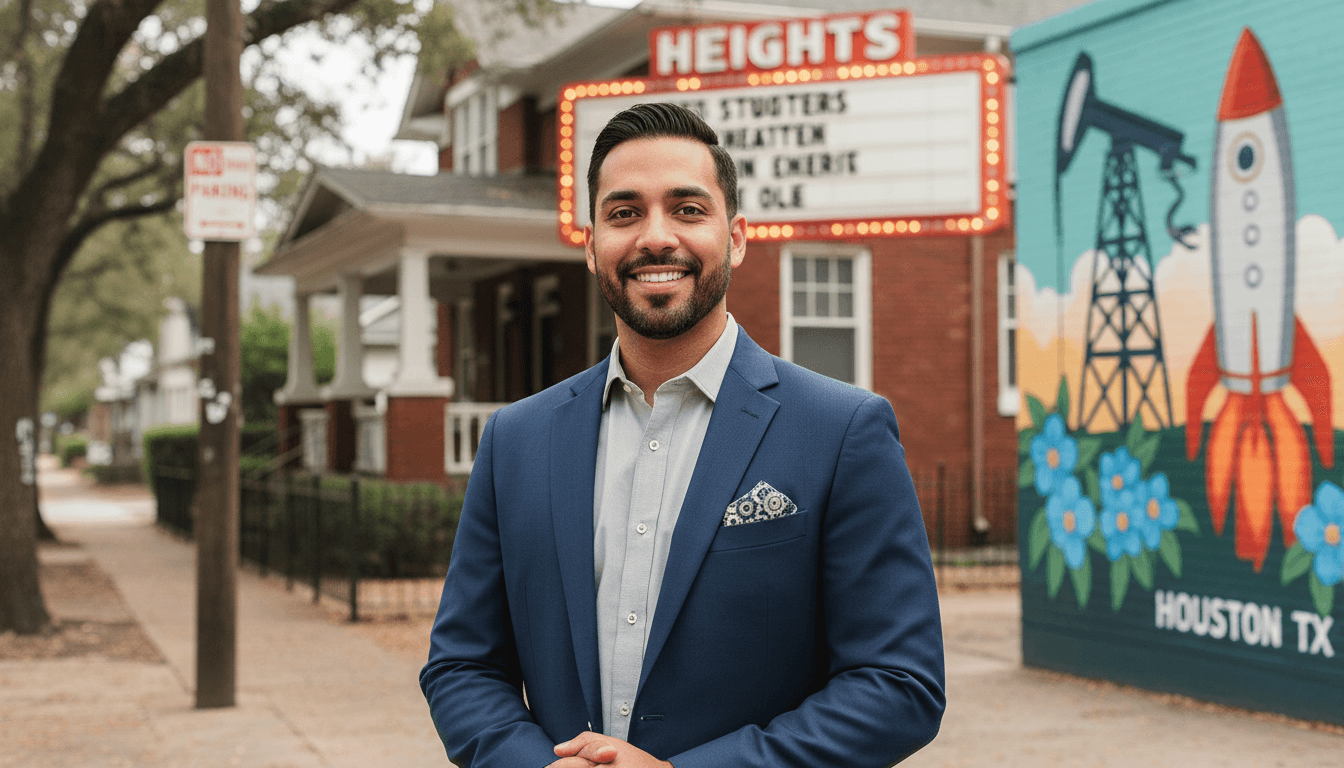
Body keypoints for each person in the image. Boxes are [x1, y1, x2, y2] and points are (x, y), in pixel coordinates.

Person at [420, 102, 944, 768]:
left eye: (688, 210)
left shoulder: (843, 431)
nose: (655, 237)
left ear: (738, 237)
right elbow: (462, 664)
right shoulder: (515, 439)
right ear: (590, 245)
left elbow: (900, 686)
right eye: (623, 213)